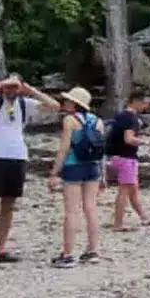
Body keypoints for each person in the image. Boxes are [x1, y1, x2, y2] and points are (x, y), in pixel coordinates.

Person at [0, 74, 59, 265]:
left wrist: (29, 88)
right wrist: (0, 84)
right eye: (9, 87)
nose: (12, 90)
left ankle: (0, 249)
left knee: (8, 204)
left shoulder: (26, 103)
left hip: (17, 156)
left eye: (15, 87)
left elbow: (54, 106)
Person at [48, 87, 104, 268]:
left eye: (68, 101)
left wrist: (54, 172)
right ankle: (92, 250)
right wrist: (103, 173)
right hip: (93, 167)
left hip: (74, 167)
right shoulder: (98, 121)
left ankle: (67, 254)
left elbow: (64, 149)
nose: (64, 103)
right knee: (91, 208)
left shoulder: (70, 120)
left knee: (71, 211)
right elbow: (102, 150)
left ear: (74, 104)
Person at [106, 90, 150, 232]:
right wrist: (144, 142)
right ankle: (118, 223)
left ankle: (144, 217)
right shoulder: (132, 118)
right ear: (136, 101)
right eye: (145, 103)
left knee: (133, 189)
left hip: (115, 155)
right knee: (124, 191)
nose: (146, 106)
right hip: (126, 157)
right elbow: (128, 139)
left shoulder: (121, 115)